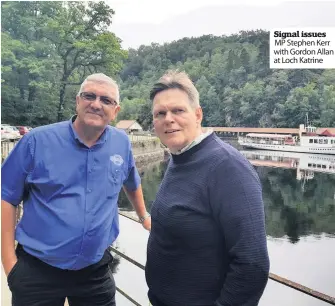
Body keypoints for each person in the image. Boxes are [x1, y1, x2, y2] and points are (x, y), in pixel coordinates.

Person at [1, 73, 151, 306]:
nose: (96, 104)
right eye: (89, 96)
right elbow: (7, 197)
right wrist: (9, 263)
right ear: (78, 101)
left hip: (95, 270)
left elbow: (131, 181)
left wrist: (143, 216)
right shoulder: (37, 142)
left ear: (116, 110)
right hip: (37, 271)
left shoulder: (121, 143)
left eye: (106, 100)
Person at [145, 70, 270, 306]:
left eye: (178, 110)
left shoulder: (228, 167)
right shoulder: (180, 157)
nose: (168, 119)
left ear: (198, 114)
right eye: (160, 113)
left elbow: (252, 264)